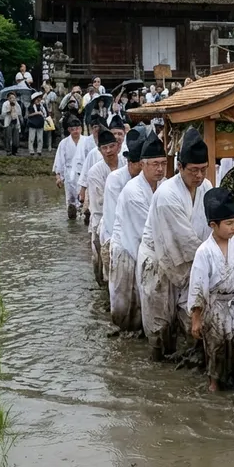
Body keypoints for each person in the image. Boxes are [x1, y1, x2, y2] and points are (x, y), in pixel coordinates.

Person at [138, 127, 212, 361]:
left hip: (190, 259)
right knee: (160, 322)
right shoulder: (167, 195)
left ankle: (188, 357)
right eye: (193, 170)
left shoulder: (206, 188)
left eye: (203, 169)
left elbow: (210, 228)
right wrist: (209, 261)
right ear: (180, 167)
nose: (199, 176)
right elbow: (185, 240)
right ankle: (156, 363)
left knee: (190, 315)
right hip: (160, 259)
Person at [189, 187, 234, 391]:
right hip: (214, 306)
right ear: (213, 225)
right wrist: (196, 318)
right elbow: (198, 286)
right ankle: (213, 384)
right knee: (216, 347)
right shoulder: (204, 251)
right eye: (229, 223)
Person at [109, 131, 166, 332]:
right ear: (142, 164)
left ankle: (140, 333)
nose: (160, 169)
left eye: (163, 163)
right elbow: (145, 231)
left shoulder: (164, 186)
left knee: (145, 299)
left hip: (149, 249)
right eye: (155, 164)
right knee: (125, 302)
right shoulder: (133, 191)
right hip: (127, 248)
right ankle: (124, 335)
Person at [100, 129, 145, 292]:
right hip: (115, 235)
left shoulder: (146, 180)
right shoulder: (115, 179)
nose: (142, 169)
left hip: (138, 236)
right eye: (139, 165)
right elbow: (113, 216)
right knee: (119, 288)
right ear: (130, 163)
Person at [86, 126, 125, 286]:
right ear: (100, 150)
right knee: (99, 259)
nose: (108, 151)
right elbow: (99, 202)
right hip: (101, 219)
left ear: (118, 146)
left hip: (124, 219)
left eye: (111, 146)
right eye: (104, 148)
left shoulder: (126, 165)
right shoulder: (95, 172)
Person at [53, 114, 83, 219]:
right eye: (73, 129)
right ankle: (72, 220)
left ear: (81, 128)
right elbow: (59, 161)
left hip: (84, 175)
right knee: (71, 203)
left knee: (85, 202)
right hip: (69, 176)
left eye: (77, 129)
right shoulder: (64, 143)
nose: (76, 131)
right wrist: (58, 177)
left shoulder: (87, 141)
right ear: (69, 130)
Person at [1, 92, 22, 156]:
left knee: (16, 138)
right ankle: (8, 151)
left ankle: (14, 150)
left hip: (15, 121)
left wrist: (15, 107)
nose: (12, 99)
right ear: (8, 98)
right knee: (8, 137)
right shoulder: (5, 104)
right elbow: (3, 114)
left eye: (14, 97)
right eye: (11, 98)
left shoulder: (17, 104)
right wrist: (9, 110)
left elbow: (19, 113)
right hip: (8, 122)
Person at [27, 91, 47, 156]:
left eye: (39, 99)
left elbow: (45, 114)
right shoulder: (31, 106)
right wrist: (37, 113)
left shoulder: (42, 106)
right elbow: (28, 115)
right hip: (32, 124)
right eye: (37, 99)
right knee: (31, 138)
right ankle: (31, 150)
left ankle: (39, 150)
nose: (38, 100)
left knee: (40, 138)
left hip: (40, 124)